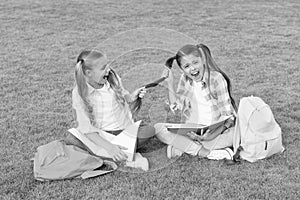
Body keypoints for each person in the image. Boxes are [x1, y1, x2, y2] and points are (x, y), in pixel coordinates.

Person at [67, 50, 155, 164]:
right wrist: (110, 148)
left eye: (107, 65)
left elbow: (124, 96)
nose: (108, 70)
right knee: (71, 138)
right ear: (89, 73)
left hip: (123, 130)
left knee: (149, 130)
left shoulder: (112, 78)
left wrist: (133, 96)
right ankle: (121, 151)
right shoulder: (79, 93)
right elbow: (86, 128)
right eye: (103, 68)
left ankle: (110, 152)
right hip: (101, 135)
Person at [155, 44, 237, 160]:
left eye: (195, 62)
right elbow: (176, 107)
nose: (192, 68)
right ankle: (208, 152)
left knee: (234, 135)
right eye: (187, 66)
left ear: (202, 60)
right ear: (182, 69)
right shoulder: (185, 79)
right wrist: (170, 84)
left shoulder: (216, 79)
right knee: (158, 129)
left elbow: (228, 117)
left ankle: (184, 146)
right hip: (193, 129)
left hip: (217, 131)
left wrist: (210, 136)